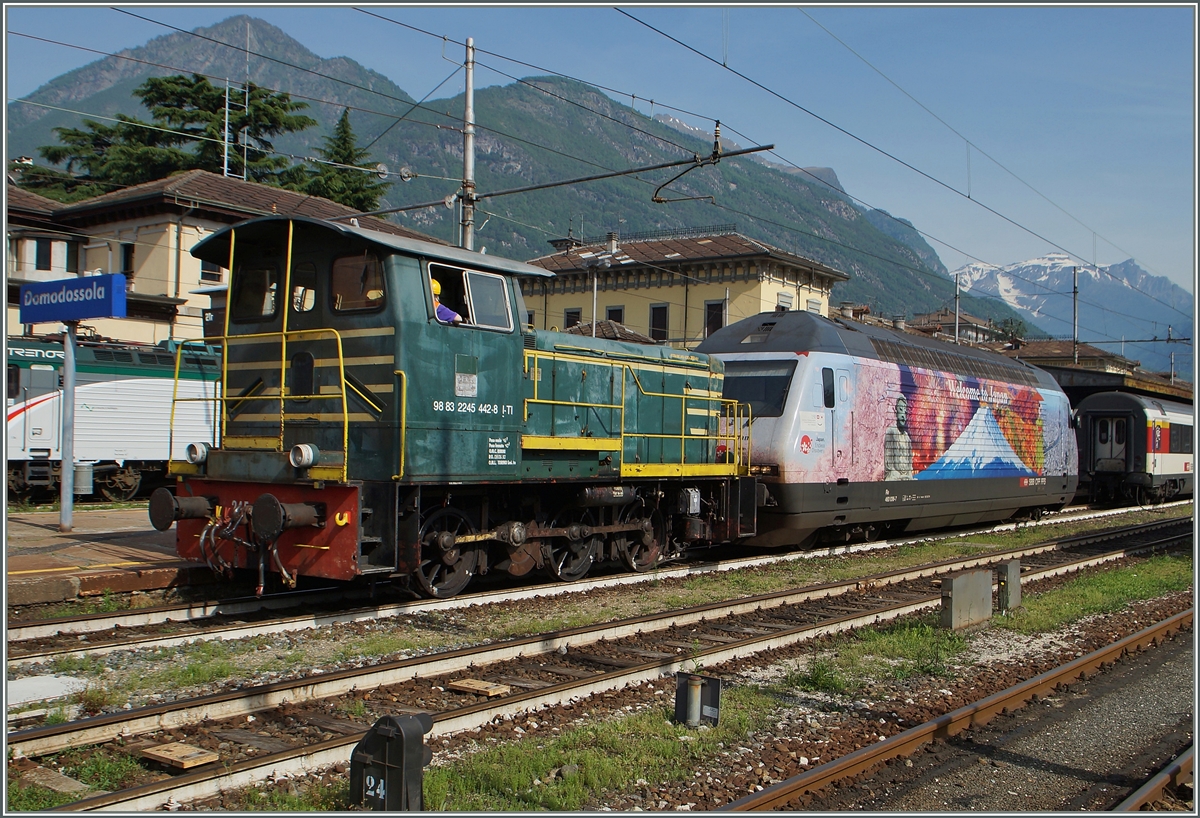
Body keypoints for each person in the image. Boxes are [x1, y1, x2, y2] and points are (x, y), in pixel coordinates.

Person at [883, 394, 914, 481]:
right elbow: (889, 465)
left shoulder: (907, 437)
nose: (903, 414)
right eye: (901, 410)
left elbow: (909, 464)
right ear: (896, 412)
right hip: (894, 475)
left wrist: (908, 475)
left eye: (905, 411)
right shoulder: (891, 432)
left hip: (906, 476)